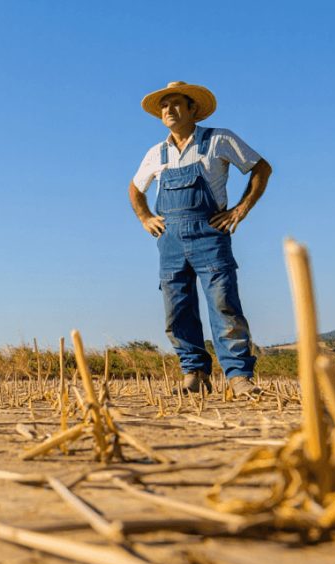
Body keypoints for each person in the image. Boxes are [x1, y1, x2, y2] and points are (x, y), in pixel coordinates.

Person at [129, 81, 272, 395]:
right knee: (176, 308)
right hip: (170, 240)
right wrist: (145, 218)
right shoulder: (156, 153)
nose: (170, 110)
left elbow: (261, 167)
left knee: (224, 305)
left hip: (210, 234)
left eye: (177, 103)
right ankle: (194, 374)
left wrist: (240, 210)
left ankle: (239, 378)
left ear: (193, 108)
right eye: (164, 106)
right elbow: (135, 189)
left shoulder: (219, 139)